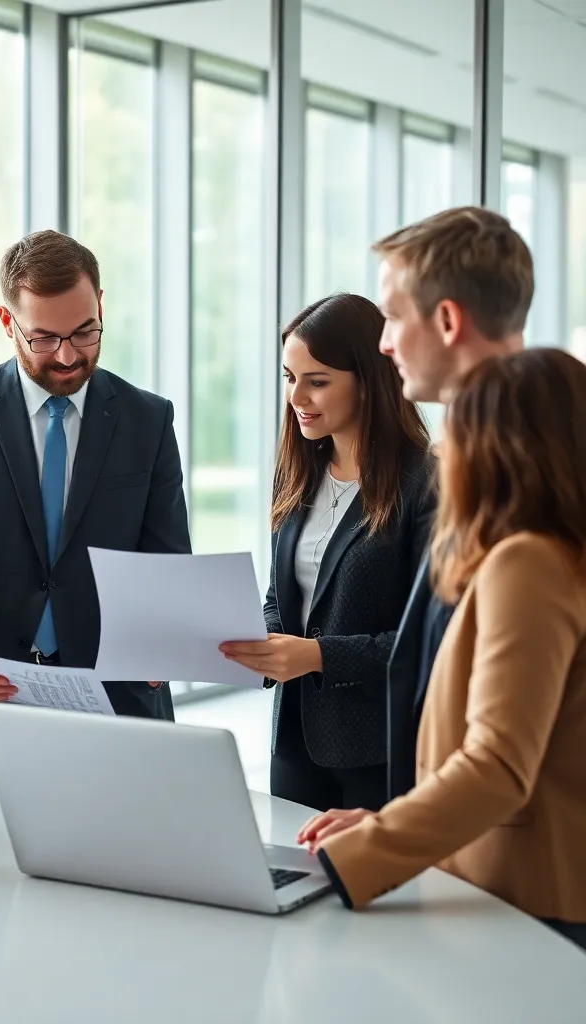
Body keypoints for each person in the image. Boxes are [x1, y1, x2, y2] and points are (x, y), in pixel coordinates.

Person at [300, 348, 586, 953]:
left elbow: (497, 766)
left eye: (454, 429)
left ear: (501, 449)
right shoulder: (557, 554)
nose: (437, 450)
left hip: (523, 895)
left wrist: (361, 856)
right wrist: (387, 821)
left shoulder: (528, 562)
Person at [0, 229, 191, 772]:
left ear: (101, 304)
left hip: (118, 705)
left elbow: (167, 559)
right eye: (44, 338)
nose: (67, 356)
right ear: (7, 322)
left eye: (85, 332)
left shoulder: (148, 420)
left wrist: (164, 635)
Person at [220, 294, 433, 812]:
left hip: (379, 750)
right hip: (293, 741)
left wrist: (315, 656)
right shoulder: (296, 475)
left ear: (370, 380)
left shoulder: (424, 484)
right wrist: (260, 642)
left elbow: (426, 640)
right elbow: (281, 596)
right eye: (289, 377)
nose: (297, 396)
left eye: (317, 381)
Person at [374, 206, 532, 799]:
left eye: (392, 316)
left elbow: (499, 756)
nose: (385, 343)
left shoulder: (525, 484)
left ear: (446, 320)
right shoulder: (466, 460)